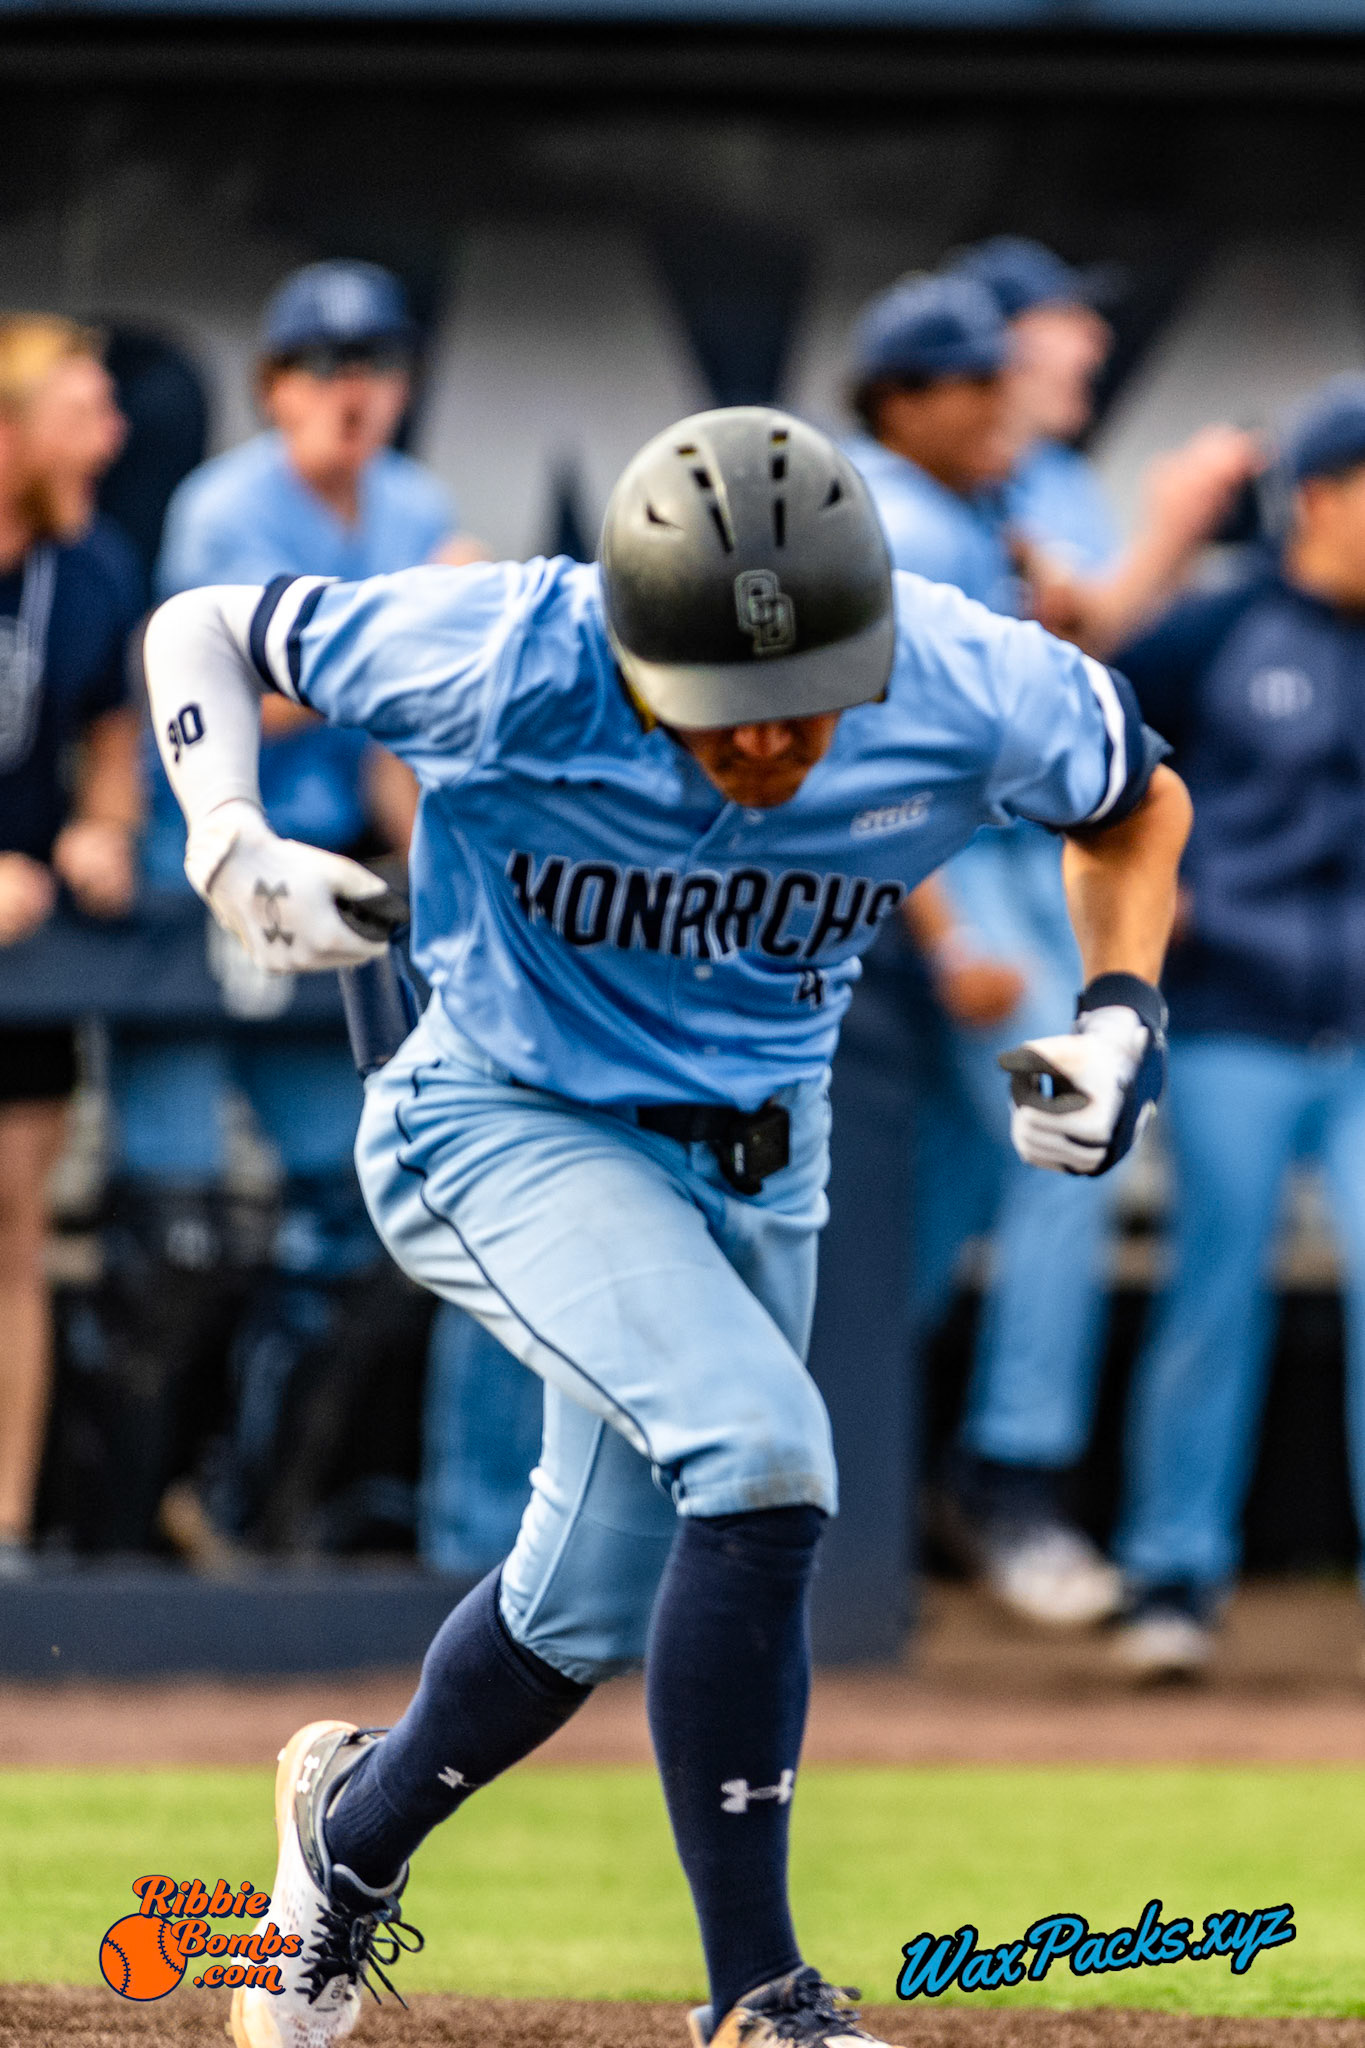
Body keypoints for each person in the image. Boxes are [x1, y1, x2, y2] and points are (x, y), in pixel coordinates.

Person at [142, 403, 1188, 2048]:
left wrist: (1123, 1012)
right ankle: (760, 1993)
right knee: (766, 1457)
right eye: (720, 709)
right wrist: (225, 835)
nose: (766, 747)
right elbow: (200, 625)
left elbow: (1135, 801)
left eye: (801, 705)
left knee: (580, 1604)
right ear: (624, 639)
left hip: (765, 1153)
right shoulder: (510, 646)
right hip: (502, 1112)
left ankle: (339, 1845)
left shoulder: (970, 673)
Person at [846, 270, 1252, 1626]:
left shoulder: (971, 505)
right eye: (975, 384)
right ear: (907, 399)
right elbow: (878, 750)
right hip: (957, 883)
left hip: (1010, 868)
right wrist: (952, 924)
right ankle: (1007, 1477)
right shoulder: (891, 513)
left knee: (956, 1187)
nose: (1003, 403)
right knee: (1073, 1143)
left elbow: (1054, 680)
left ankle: (853, 1452)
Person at [106, 260, 497, 1557]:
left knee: (358, 1219)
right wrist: (415, 641)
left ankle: (238, 1502)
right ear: (275, 388)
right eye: (323, 370)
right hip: (192, 886)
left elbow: (406, 744)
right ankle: (91, 1537)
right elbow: (240, 687)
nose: (351, 394)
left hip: (331, 882)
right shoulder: (229, 509)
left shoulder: (413, 502)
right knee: (174, 1232)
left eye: (373, 368)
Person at [1110, 375, 1365, 1675]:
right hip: (1233, 1023)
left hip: (1361, 1034)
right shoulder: (1214, 634)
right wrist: (1163, 896)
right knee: (1214, 1290)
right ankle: (1170, 1581)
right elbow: (1084, 750)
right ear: (1320, 496)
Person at [0, 315, 143, 1573]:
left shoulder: (88, 566)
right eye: (82, 410)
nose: (113, 433)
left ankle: (5, 1534)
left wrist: (103, 828)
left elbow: (114, 740)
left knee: (16, 1233)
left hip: (29, 960)